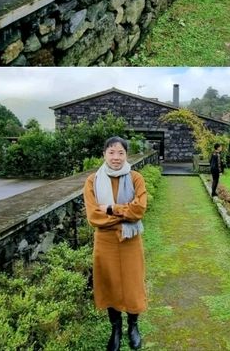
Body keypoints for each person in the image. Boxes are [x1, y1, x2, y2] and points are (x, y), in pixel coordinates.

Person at [84, 136, 147, 351]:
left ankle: (133, 326)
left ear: (126, 155)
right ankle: (116, 330)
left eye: (120, 152)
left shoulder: (136, 178)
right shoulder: (93, 181)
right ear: (104, 154)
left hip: (130, 241)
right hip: (106, 242)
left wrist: (111, 209)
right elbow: (94, 216)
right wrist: (125, 213)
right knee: (110, 283)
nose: (116, 157)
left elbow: (139, 210)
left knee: (132, 283)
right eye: (111, 152)